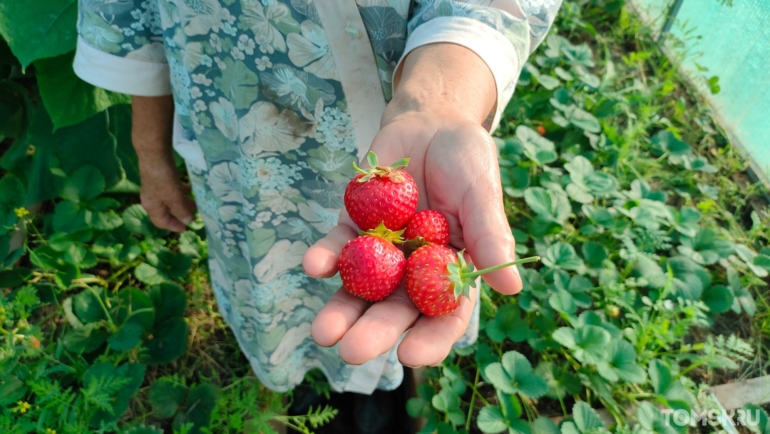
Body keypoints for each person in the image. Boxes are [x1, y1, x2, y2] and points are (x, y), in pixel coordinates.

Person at [74, 0, 561, 429]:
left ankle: (393, 381)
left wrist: (440, 99)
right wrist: (149, 150)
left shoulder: (415, 203)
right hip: (240, 138)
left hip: (398, 134)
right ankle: (293, 378)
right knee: (275, 286)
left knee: (393, 320)